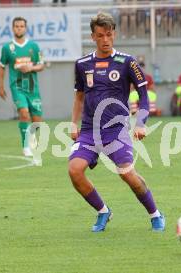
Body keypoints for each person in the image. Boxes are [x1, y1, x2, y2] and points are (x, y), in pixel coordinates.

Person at [68, 12, 165, 232]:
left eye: (109, 35)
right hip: (89, 130)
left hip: (117, 130)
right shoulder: (82, 64)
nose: (105, 40)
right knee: (74, 170)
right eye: (100, 35)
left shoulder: (127, 62)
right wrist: (73, 124)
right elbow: (79, 97)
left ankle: (155, 214)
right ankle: (103, 211)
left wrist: (141, 122)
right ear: (93, 36)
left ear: (114, 34)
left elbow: (143, 96)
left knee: (127, 174)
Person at [0, 16, 44, 157]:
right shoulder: (7, 48)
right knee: (24, 113)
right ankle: (26, 146)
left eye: (21, 26)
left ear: (25, 28)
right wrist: (0, 86)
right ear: (13, 29)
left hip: (32, 88)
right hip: (17, 87)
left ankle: (31, 137)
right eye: (16, 26)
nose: (19, 28)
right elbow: (1, 67)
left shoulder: (34, 46)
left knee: (37, 121)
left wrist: (31, 68)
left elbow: (41, 65)